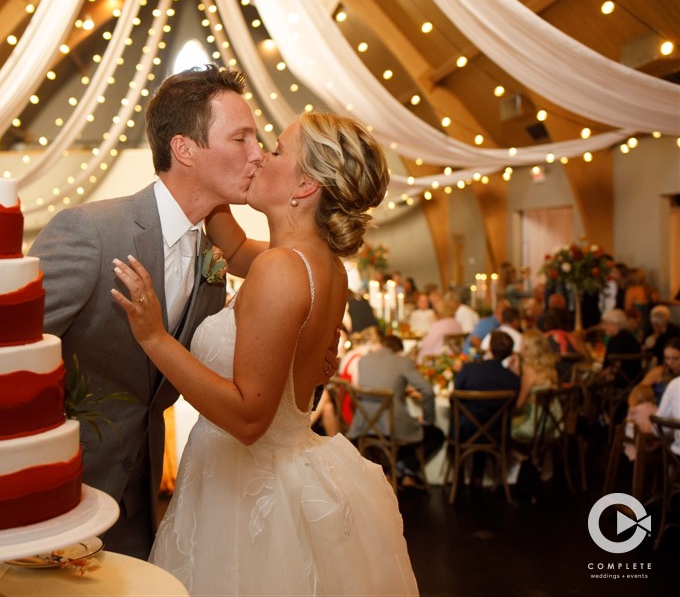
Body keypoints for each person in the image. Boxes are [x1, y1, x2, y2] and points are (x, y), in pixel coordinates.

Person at [111, 113, 417, 595]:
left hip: (249, 493)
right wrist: (208, 178)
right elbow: (230, 249)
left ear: (305, 184)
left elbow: (250, 419)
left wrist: (155, 338)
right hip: (286, 470)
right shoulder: (322, 265)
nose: (259, 156)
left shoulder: (282, 269)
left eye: (275, 150)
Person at [29, 65, 262, 558]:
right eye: (241, 138)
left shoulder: (213, 258)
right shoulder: (89, 233)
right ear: (185, 149)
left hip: (140, 502)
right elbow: (9, 355)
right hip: (53, 497)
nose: (257, 155)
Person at [348, 334, 443, 489]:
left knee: (408, 428)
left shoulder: (363, 361)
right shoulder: (402, 362)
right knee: (435, 434)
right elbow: (428, 391)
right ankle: (404, 468)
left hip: (364, 425)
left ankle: (397, 470)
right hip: (391, 427)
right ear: (399, 351)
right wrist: (427, 419)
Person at [452, 330, 520, 442]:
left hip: (466, 431)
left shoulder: (469, 370)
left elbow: (454, 399)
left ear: (489, 348)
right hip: (498, 433)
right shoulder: (512, 380)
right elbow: (513, 406)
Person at [510, 330, 561, 443]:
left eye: (522, 345)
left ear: (527, 348)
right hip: (553, 423)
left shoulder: (530, 370)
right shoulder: (550, 368)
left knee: (501, 428)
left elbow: (519, 405)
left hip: (534, 425)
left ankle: (520, 459)